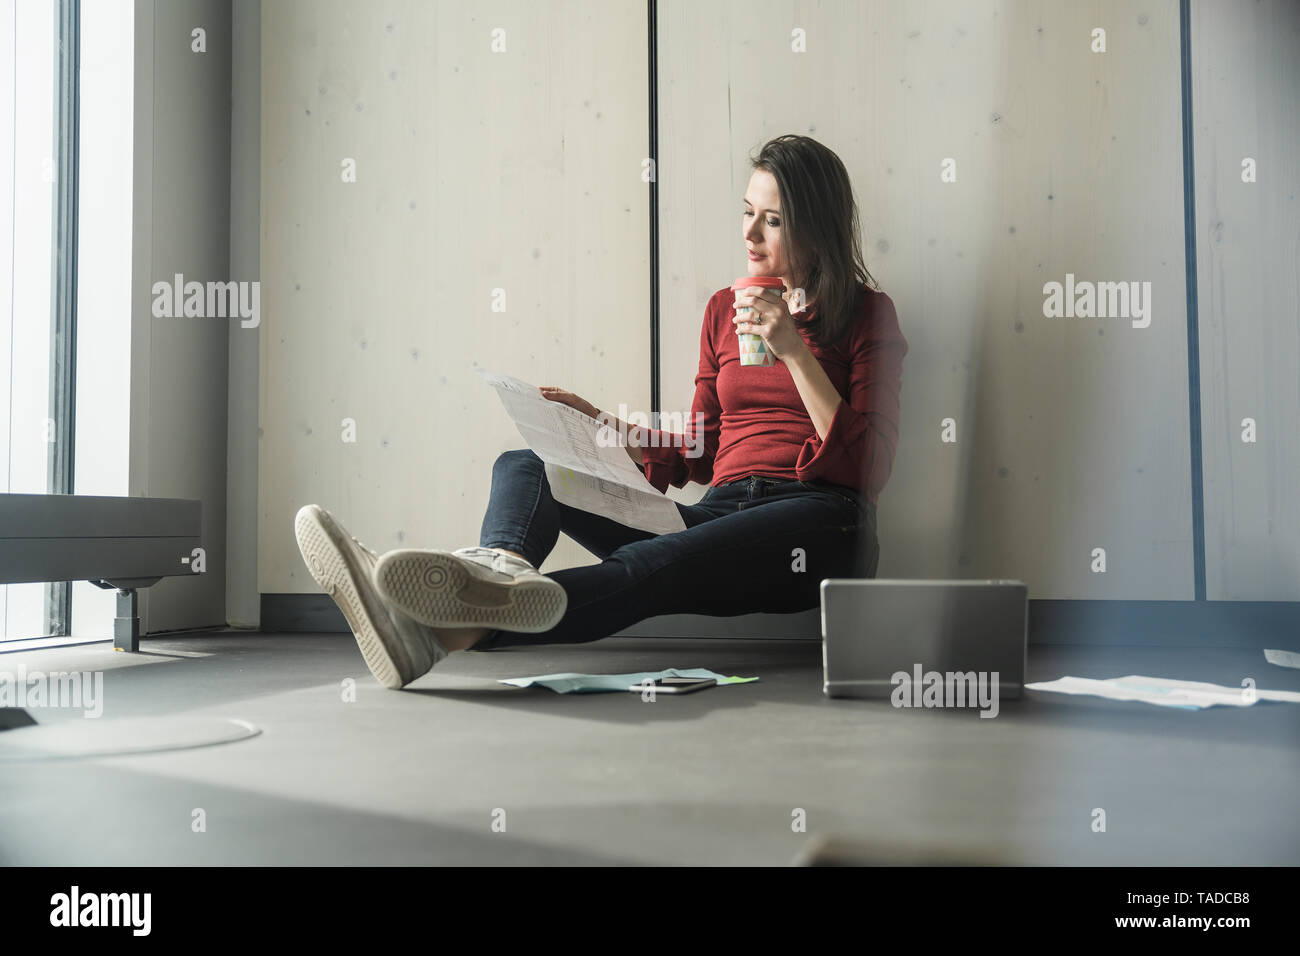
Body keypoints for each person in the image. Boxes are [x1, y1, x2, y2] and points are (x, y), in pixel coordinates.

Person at [294, 134, 909, 690]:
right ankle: (490, 576)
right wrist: (599, 427)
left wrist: (794, 350)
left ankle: (429, 625)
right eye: (747, 214)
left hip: (821, 520)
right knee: (530, 462)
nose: (750, 235)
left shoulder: (867, 315)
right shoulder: (725, 308)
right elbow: (700, 450)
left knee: (649, 564)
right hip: (721, 511)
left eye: (773, 221)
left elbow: (869, 467)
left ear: (817, 229)